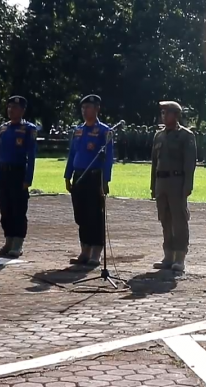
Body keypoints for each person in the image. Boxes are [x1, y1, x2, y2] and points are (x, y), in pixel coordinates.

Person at [64, 95, 114, 267]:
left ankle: (96, 251)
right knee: (81, 215)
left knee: (94, 214)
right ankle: (84, 249)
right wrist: (67, 175)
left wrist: (105, 180)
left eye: (89, 107)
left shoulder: (104, 131)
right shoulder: (78, 130)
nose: (85, 111)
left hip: (94, 177)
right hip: (79, 176)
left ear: (97, 109)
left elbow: (108, 158)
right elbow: (72, 154)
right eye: (83, 108)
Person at [150, 101, 197, 272]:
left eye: (167, 113)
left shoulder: (186, 135)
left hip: (177, 181)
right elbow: (154, 163)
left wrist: (187, 185)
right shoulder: (159, 136)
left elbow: (189, 163)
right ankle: (168, 255)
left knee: (179, 220)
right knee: (165, 219)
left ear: (175, 115)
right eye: (162, 113)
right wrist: (153, 186)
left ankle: (180, 256)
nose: (164, 116)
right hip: (161, 182)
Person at [0, 96, 37, 258]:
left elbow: (31, 156)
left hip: (18, 173)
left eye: (15, 108)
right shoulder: (3, 128)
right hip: (4, 172)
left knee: (18, 209)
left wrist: (28, 179)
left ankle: (17, 243)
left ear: (23, 110)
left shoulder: (28, 129)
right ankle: (8, 241)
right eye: (9, 107)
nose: (11, 110)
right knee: (5, 209)